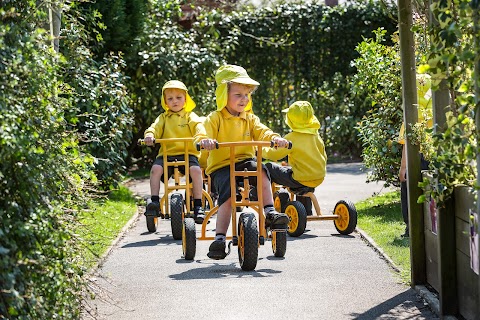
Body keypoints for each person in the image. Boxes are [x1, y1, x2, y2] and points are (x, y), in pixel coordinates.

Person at [196, 64, 290, 260]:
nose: (244, 99)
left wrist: (275, 138)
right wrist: (205, 141)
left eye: (247, 95)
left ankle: (270, 213)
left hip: (246, 160)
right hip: (221, 165)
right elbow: (202, 133)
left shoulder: (250, 119)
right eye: (238, 94)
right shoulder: (214, 118)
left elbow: (263, 131)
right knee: (229, 196)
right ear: (224, 95)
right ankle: (220, 239)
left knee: (262, 171)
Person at [144, 80, 206, 224]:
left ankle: (198, 205)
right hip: (167, 154)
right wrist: (150, 135)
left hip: (187, 153)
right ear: (165, 102)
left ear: (185, 100)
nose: (175, 101)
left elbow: (199, 127)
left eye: (179, 97)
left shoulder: (190, 116)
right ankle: (154, 202)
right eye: (170, 99)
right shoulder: (163, 118)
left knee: (196, 171)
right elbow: (155, 127)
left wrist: (201, 138)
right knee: (155, 169)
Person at [263, 101, 327, 215]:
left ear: (291, 120)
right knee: (303, 175)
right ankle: (306, 211)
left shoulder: (291, 138)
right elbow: (323, 156)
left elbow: (274, 155)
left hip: (299, 178)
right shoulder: (316, 136)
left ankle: (266, 201)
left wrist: (261, 150)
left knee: (268, 167)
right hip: (318, 177)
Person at [398, 73, 432, 237]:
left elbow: (408, 144)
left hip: (415, 160)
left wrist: (403, 167)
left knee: (408, 192)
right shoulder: (435, 113)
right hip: (432, 158)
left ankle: (410, 228)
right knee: (429, 192)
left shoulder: (411, 115)